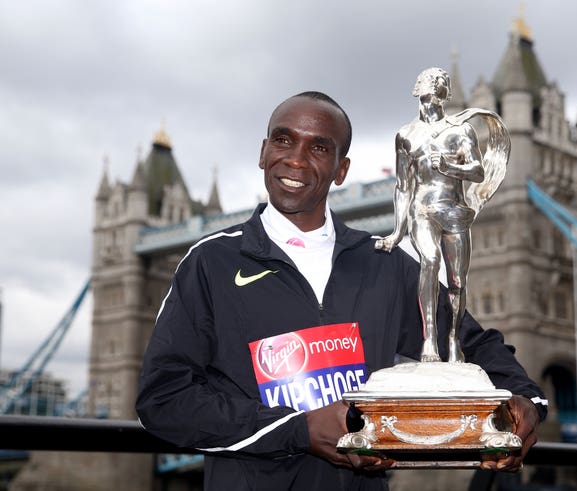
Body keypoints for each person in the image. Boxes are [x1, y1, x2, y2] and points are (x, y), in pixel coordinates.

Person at [136, 91, 547, 491]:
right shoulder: (211, 262)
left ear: (341, 170)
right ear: (263, 152)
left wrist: (526, 402)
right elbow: (164, 398)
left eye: (318, 148)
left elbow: (475, 344)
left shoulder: (386, 264)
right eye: (283, 140)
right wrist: (298, 429)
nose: (295, 159)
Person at [375, 67, 510, 365]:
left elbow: (477, 171)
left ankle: (453, 340)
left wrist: (449, 166)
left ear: (444, 94)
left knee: (458, 281)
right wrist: (397, 232)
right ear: (419, 90)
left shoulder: (461, 130)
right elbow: (403, 186)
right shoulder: (405, 136)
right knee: (430, 262)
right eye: (429, 85)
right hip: (421, 210)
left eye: (439, 86)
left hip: (455, 211)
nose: (433, 92)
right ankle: (428, 341)